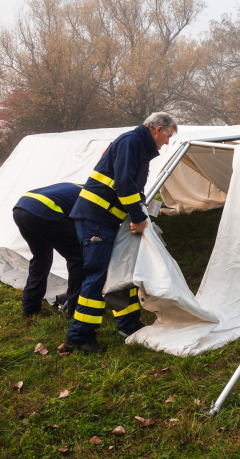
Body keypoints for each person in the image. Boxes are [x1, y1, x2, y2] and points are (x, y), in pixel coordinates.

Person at [65, 112, 177, 353]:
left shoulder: (139, 145)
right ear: (157, 129)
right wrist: (138, 218)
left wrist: (142, 210)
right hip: (96, 218)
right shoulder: (131, 142)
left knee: (119, 270)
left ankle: (128, 323)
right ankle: (79, 335)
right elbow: (124, 184)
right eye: (167, 136)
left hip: (104, 218)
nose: (167, 142)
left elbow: (135, 188)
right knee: (96, 276)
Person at [12, 182, 84, 318]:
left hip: (21, 208)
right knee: (77, 257)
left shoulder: (78, 187)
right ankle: (75, 311)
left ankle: (30, 308)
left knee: (40, 257)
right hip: (43, 211)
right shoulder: (93, 197)